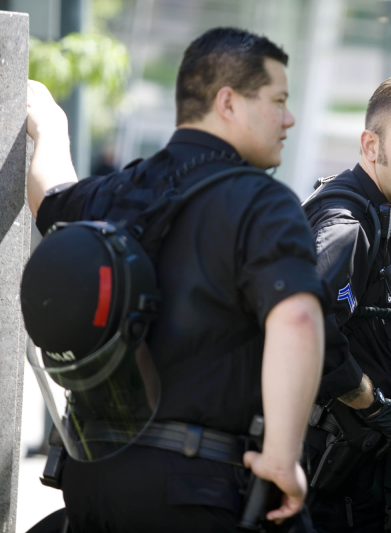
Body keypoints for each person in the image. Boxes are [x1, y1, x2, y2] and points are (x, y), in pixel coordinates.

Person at [24, 27, 325, 532]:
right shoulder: (263, 202)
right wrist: (281, 458)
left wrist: (51, 127)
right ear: (228, 102)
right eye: (278, 100)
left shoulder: (115, 190)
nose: (289, 118)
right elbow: (297, 319)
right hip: (197, 492)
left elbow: (49, 198)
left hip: (91, 482)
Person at [302, 75, 391, 532]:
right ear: (370, 145)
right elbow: (306, 326)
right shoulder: (347, 224)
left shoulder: (380, 217)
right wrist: (370, 403)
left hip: (367, 482)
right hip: (333, 486)